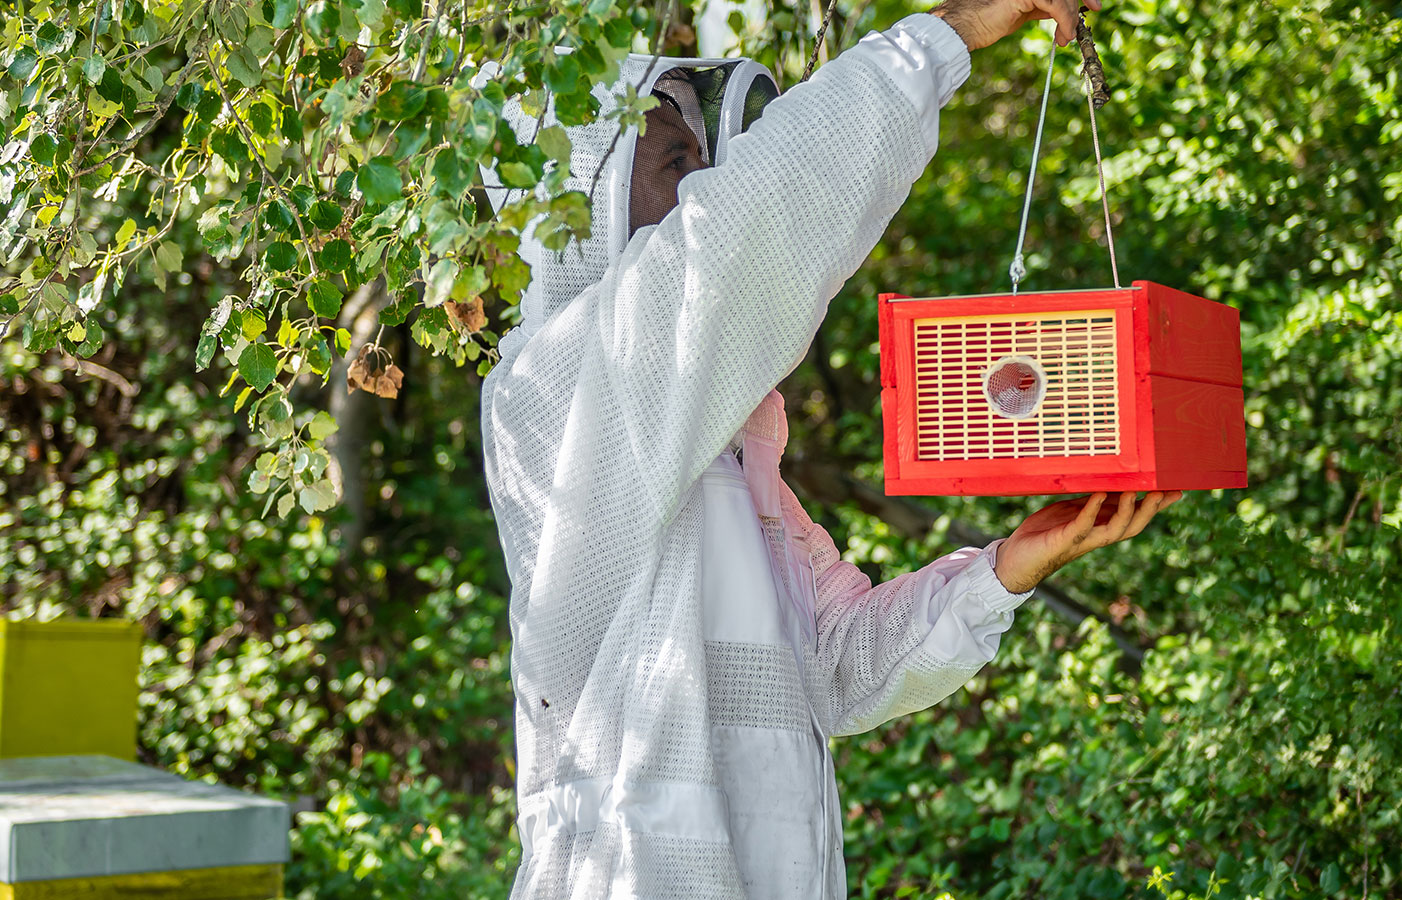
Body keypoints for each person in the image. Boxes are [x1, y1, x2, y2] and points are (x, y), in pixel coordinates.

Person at [479, 1, 1178, 896]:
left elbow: (839, 666)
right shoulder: (557, 389)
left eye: (703, 160)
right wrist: (944, 35)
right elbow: (737, 236)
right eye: (675, 162)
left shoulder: (726, 457)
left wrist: (1006, 568)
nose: (704, 187)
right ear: (582, 194)